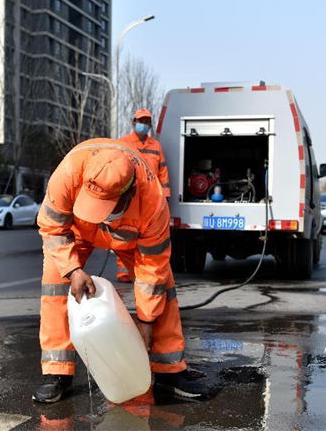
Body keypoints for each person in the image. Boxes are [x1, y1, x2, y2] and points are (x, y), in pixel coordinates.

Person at [33, 138, 205, 403]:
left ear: (129, 191)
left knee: (162, 288)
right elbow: (52, 227)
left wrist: (146, 321)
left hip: (129, 235)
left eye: (107, 209)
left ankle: (169, 372)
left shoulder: (152, 204)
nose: (100, 215)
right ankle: (57, 373)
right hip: (78, 231)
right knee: (55, 282)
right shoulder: (68, 174)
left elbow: (152, 269)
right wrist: (73, 270)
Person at [115, 108, 170, 282]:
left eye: (146, 121)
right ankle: (125, 272)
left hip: (151, 200)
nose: (143, 124)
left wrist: (165, 195)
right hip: (130, 197)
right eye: (141, 121)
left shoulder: (155, 146)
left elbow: (162, 172)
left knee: (148, 236)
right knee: (126, 234)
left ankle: (144, 271)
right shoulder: (123, 143)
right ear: (133, 123)